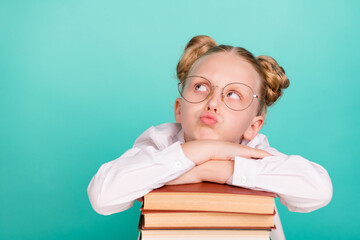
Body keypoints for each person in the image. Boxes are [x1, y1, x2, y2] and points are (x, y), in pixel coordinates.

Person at [87, 35, 333, 240]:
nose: (213, 103)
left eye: (234, 94)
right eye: (201, 87)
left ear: (253, 126)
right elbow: (102, 197)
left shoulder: (254, 149)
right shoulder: (160, 142)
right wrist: (201, 152)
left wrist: (213, 170)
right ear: (179, 109)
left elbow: (319, 190)